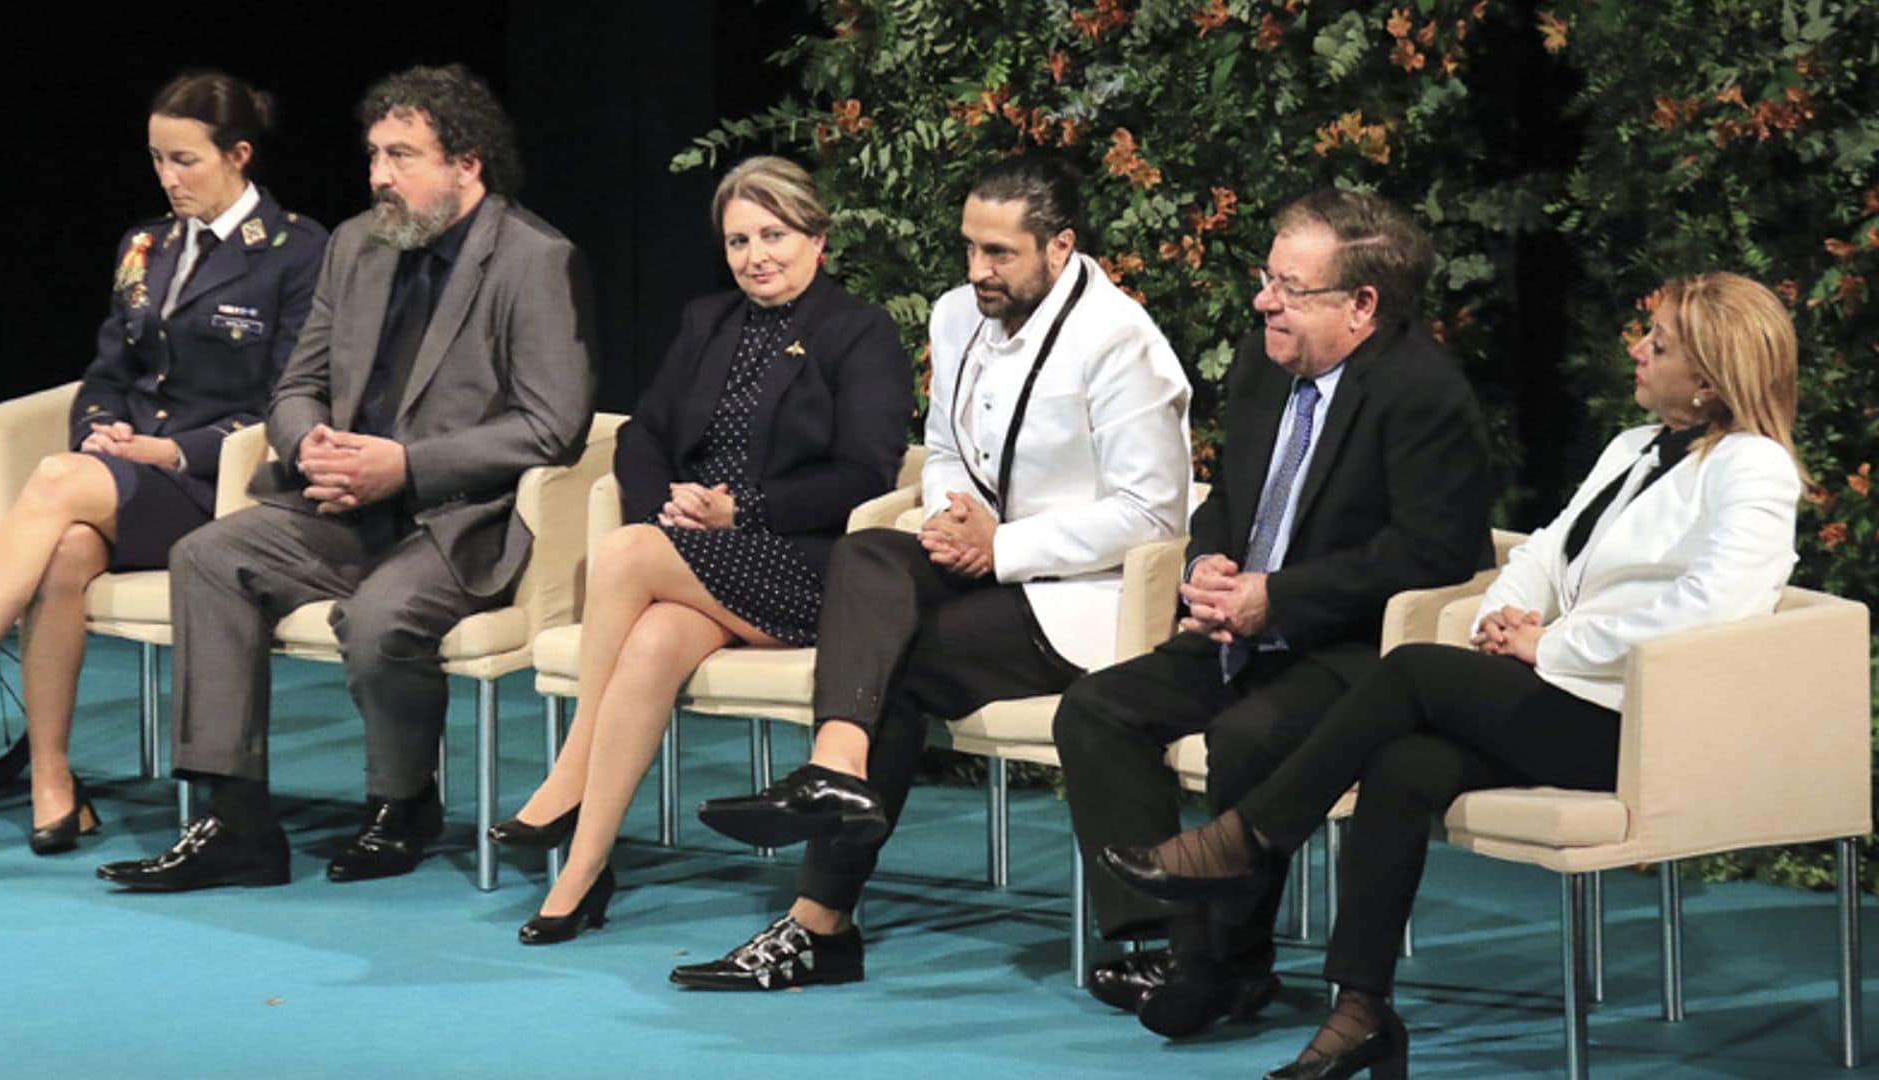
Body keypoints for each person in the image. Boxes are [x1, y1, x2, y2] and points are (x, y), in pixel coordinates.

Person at [1103, 272, 1804, 1078]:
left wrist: (1556, 645)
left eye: (1661, 344)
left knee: (1408, 674)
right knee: (1405, 766)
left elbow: (1711, 604)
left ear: (1711, 383)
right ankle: (1360, 1012)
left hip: (1641, 718)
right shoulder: (1632, 448)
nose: (1638, 351)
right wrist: (1498, 621)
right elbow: (1542, 552)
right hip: (1562, 694)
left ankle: (1247, 837)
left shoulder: (1755, 469)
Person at [679, 153, 1194, 989]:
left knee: (896, 668)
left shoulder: (1120, 341)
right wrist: (955, 517)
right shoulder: (958, 316)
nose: (977, 271)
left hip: (1084, 599)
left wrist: (1005, 547)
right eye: (969, 248)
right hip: (986, 563)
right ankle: (837, 767)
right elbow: (950, 447)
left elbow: (1153, 518)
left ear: (1059, 247)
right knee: (870, 551)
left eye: (1000, 253)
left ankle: (820, 923)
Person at [97, 64, 595, 891]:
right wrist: (310, 447)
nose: (379, 177)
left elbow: (553, 424)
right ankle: (235, 820)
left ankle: (402, 803)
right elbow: (296, 385)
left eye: (401, 156)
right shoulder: (359, 246)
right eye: (373, 155)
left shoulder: (534, 260)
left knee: (380, 618)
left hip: (455, 517)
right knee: (207, 557)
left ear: (465, 164)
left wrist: (404, 466)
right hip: (336, 501)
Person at [1056, 189, 1494, 1039]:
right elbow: (1229, 502)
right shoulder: (1265, 363)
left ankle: (1228, 963)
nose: (1264, 301)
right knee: (1098, 709)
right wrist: (1207, 567)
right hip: (1240, 626)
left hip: (1351, 650)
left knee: (1250, 735)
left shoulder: (1423, 394)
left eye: (1291, 288)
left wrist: (1279, 600)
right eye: (1268, 278)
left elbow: (1432, 555)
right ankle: (1174, 942)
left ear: (1362, 306)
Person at [488, 156, 912, 944]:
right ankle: (581, 871)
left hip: (808, 567)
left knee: (622, 556)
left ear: (817, 237)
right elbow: (644, 435)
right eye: (738, 240)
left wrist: (738, 509)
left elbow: (865, 473)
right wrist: (672, 511)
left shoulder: (859, 331)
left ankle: (571, 771)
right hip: (699, 558)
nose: (756, 256)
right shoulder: (706, 322)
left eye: (774, 235)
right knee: (649, 644)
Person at [0, 72, 325, 854]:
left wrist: (169, 449)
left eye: (185, 160)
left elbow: (294, 400)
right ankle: (52, 783)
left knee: (58, 481)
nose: (169, 177)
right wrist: (100, 430)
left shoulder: (297, 251)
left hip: (217, 486)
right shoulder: (144, 245)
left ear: (239, 156)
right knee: (62, 553)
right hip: (128, 475)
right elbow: (105, 375)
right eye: (158, 159)